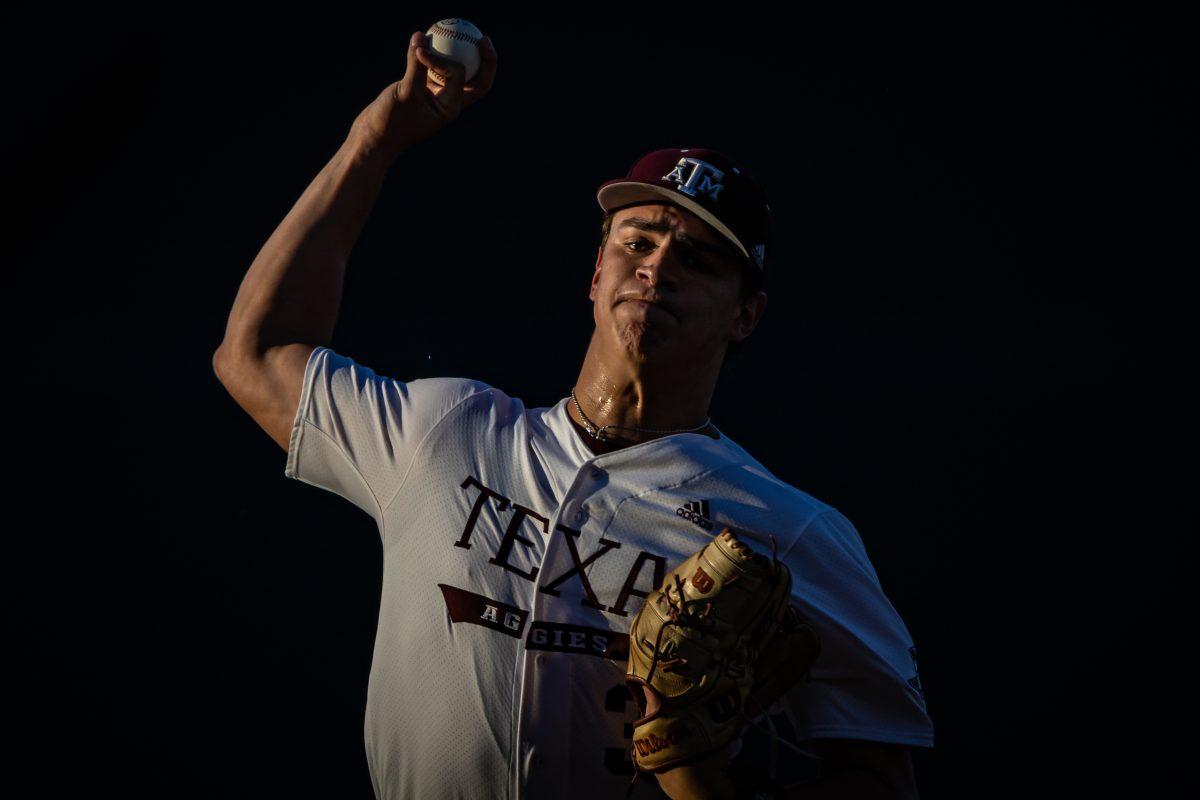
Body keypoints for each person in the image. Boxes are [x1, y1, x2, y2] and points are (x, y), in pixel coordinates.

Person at [213, 29, 934, 800]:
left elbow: (882, 774)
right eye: (639, 242)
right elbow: (254, 353)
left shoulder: (788, 531)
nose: (657, 268)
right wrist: (374, 140)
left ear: (745, 316)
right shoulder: (449, 432)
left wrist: (708, 786)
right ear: (596, 274)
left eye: (697, 260)